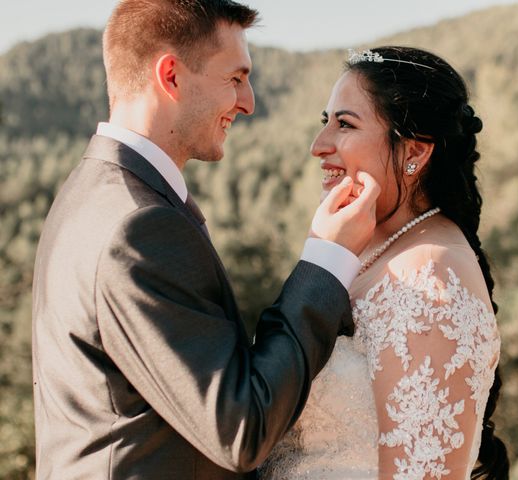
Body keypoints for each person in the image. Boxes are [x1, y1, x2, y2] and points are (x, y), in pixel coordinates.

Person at [31, 1, 380, 479]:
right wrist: (327, 257)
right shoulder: (138, 227)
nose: (249, 101)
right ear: (171, 75)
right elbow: (241, 427)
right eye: (235, 78)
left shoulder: (88, 191)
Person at [260, 47, 509, 479]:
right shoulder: (371, 251)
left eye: (345, 124)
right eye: (326, 122)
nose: (319, 146)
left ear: (414, 151)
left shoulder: (431, 274)